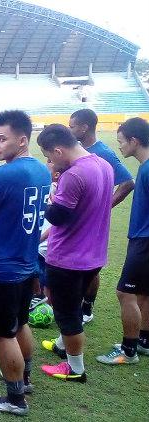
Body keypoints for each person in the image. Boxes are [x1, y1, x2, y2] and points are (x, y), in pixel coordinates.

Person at [0, 111, 49, 415]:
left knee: (4, 332)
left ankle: (15, 398)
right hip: (26, 262)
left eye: (2, 138)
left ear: (22, 140)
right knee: (20, 324)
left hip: (0, 265)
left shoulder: (5, 174)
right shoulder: (41, 170)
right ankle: (25, 378)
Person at [36, 124, 113, 383]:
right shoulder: (103, 164)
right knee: (73, 303)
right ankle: (62, 345)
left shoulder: (74, 175)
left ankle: (75, 368)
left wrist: (50, 194)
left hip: (69, 256)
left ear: (58, 150)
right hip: (94, 254)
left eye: (49, 156)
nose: (49, 161)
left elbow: (58, 216)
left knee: (66, 313)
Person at [69, 109, 135, 324]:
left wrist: (104, 207)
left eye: (72, 126)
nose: (70, 130)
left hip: (92, 222)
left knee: (90, 264)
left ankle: (87, 308)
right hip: (74, 220)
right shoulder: (75, 150)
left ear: (84, 127)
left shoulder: (103, 152)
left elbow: (127, 183)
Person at [96, 117, 149, 365]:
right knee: (143, 294)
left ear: (134, 141)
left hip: (144, 240)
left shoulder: (147, 169)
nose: (119, 147)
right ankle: (144, 340)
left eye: (121, 142)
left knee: (124, 293)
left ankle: (128, 351)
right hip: (143, 238)